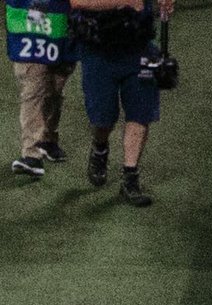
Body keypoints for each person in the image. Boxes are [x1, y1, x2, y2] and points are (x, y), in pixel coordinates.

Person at [68, 0, 162, 205]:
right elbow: (77, 2)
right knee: (103, 119)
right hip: (97, 50)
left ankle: (130, 177)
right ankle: (100, 148)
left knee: (141, 112)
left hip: (140, 46)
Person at [0, 0, 74, 176]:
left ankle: (48, 139)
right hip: (27, 31)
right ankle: (31, 154)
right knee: (32, 91)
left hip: (62, 28)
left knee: (54, 90)